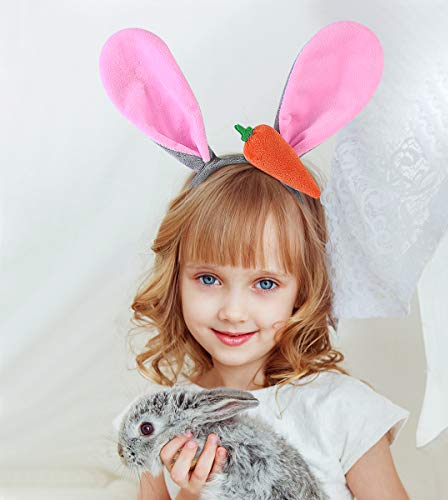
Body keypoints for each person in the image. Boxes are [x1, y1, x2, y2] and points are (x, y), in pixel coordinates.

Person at [128, 162, 410, 500]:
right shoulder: (154, 420)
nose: (233, 312)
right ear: (176, 280)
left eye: (265, 283)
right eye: (208, 278)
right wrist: (195, 492)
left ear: (302, 291)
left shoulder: (341, 409)